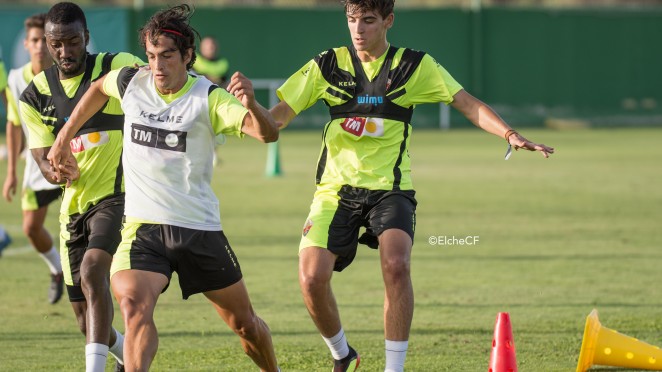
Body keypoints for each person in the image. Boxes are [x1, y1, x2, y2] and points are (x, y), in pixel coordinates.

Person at [269, 1, 555, 371]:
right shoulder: (327, 64)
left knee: (396, 264)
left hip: (391, 190)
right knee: (311, 278)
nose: (358, 30)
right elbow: (278, 117)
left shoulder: (414, 66)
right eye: (352, 20)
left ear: (388, 21)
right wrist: (247, 115)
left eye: (368, 21)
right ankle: (343, 354)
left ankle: (394, 368)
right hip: (335, 192)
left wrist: (510, 133)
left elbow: (466, 103)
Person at [47, 5, 280, 371]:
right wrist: (63, 136)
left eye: (167, 56)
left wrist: (252, 104)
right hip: (143, 229)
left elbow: (266, 133)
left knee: (245, 325)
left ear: (188, 56)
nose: (157, 65)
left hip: (197, 228)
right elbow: (96, 88)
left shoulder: (208, 96)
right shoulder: (131, 82)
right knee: (134, 308)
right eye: (152, 56)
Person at [19, 2, 144, 371]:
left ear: (86, 37)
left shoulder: (115, 66)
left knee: (93, 271)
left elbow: (158, 88)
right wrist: (53, 171)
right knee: (84, 320)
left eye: (72, 42)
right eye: (55, 44)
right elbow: (41, 158)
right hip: (72, 210)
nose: (63, 52)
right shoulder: (35, 95)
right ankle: (125, 355)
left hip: (119, 198)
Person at [3, 13, 65, 304]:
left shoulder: (68, 73)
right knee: (30, 228)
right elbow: (15, 124)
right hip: (37, 165)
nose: (40, 46)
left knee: (83, 226)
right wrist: (12, 173)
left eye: (45, 40)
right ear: (26, 44)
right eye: (35, 40)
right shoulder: (16, 79)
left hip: (74, 161)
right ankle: (57, 270)